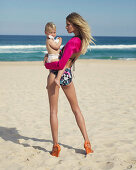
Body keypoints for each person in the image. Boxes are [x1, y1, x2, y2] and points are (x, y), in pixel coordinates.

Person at [44, 12, 94, 157]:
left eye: (68, 24)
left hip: (56, 75)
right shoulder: (80, 41)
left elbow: (60, 64)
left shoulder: (72, 42)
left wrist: (46, 64)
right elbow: (69, 62)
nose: (66, 27)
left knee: (53, 112)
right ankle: (87, 142)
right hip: (68, 76)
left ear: (75, 24)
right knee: (76, 109)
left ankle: (55, 147)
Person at [44, 22, 66, 88]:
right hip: (53, 58)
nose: (53, 34)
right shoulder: (49, 40)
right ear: (46, 33)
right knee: (63, 65)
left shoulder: (51, 40)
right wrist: (60, 41)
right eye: (51, 32)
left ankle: (48, 85)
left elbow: (54, 49)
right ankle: (57, 79)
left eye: (54, 32)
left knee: (51, 72)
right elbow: (56, 47)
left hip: (51, 57)